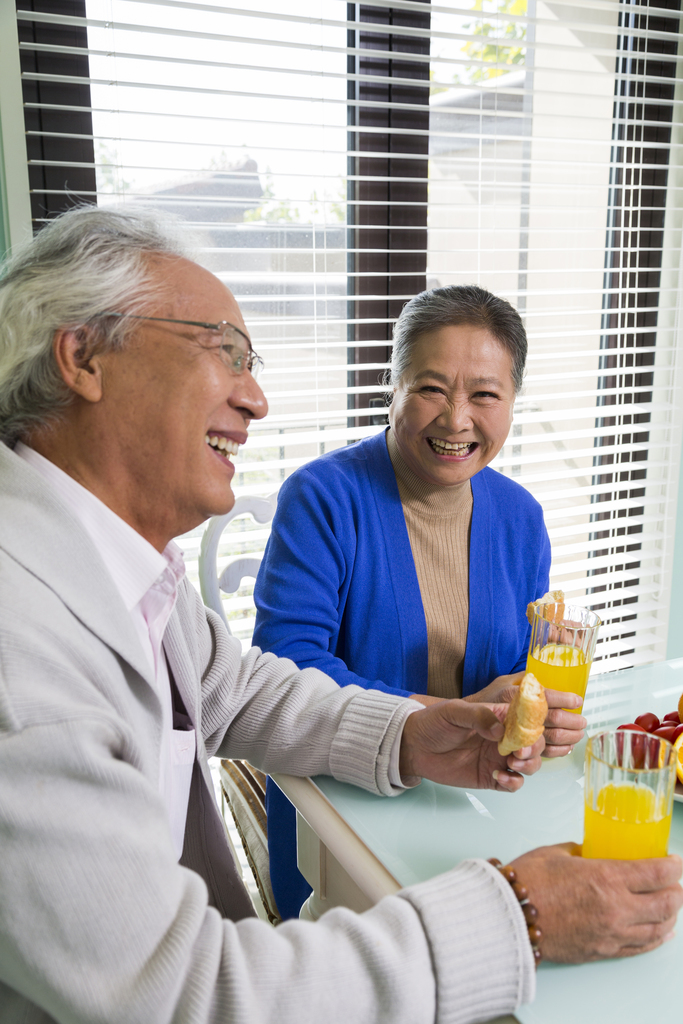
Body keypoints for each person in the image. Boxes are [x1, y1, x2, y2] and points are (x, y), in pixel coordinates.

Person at [0, 206, 680, 1024]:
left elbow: (238, 689)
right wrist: (520, 914)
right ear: (84, 356)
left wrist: (408, 732)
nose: (255, 397)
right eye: (224, 353)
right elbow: (183, 992)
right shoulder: (22, 644)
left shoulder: (123, 570)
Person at [254, 284, 585, 918]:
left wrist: (537, 711)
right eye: (432, 388)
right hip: (340, 809)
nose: (457, 420)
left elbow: (517, 672)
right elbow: (283, 667)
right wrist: (435, 720)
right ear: (394, 386)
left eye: (485, 394)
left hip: (473, 804)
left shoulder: (520, 517)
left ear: (513, 402)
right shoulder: (323, 498)